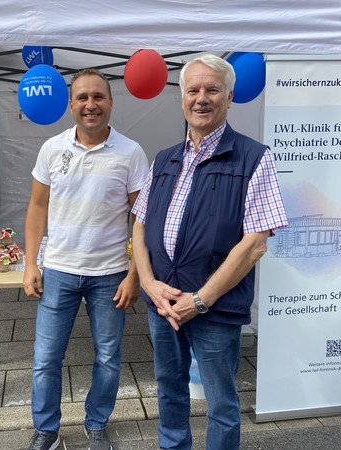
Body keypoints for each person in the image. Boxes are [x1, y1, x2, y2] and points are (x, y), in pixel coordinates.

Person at [131, 54, 288, 450]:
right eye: (193, 90)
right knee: (169, 390)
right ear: (182, 97)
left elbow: (255, 243)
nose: (202, 99)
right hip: (163, 304)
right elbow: (140, 222)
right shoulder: (165, 158)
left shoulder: (254, 158)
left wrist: (199, 301)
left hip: (215, 309)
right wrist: (149, 284)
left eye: (212, 90)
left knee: (220, 402)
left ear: (230, 97)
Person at [23, 68, 149, 450]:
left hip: (110, 275)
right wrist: (31, 263)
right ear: (71, 104)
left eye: (98, 97)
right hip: (59, 270)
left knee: (109, 358)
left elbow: (141, 219)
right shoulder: (51, 148)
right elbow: (37, 207)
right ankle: (46, 429)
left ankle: (97, 424)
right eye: (82, 98)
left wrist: (135, 275)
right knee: (45, 359)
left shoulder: (130, 153)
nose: (90, 105)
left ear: (110, 102)